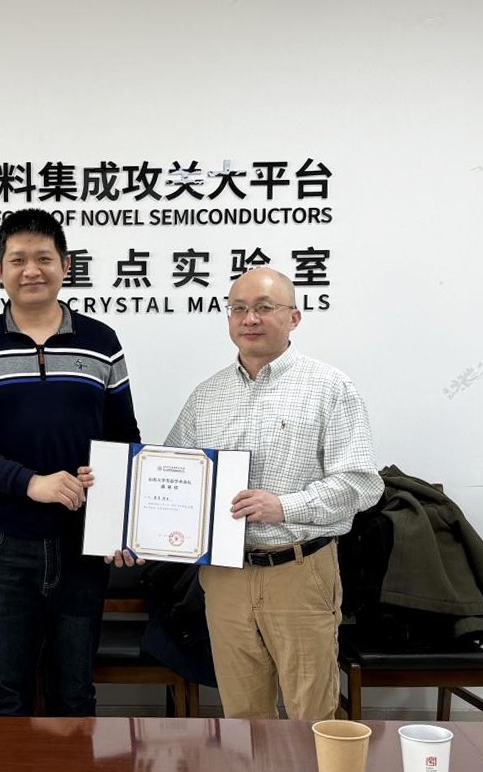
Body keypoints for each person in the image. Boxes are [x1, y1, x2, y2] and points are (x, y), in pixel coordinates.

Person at [0, 208, 141, 716]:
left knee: (76, 692)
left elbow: (125, 438)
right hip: (1, 542)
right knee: (7, 695)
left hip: (83, 544)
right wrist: (28, 482)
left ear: (66, 265)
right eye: (18, 259)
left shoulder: (101, 342)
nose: (32, 270)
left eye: (44, 258)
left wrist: (114, 498)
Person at [164, 266, 383, 720]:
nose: (250, 319)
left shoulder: (330, 388)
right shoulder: (206, 396)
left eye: (264, 307)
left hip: (298, 570)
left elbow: (361, 483)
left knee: (312, 717)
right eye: (238, 308)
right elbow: (174, 477)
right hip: (224, 577)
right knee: (243, 717)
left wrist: (283, 506)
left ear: (294, 317)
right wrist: (130, 523)